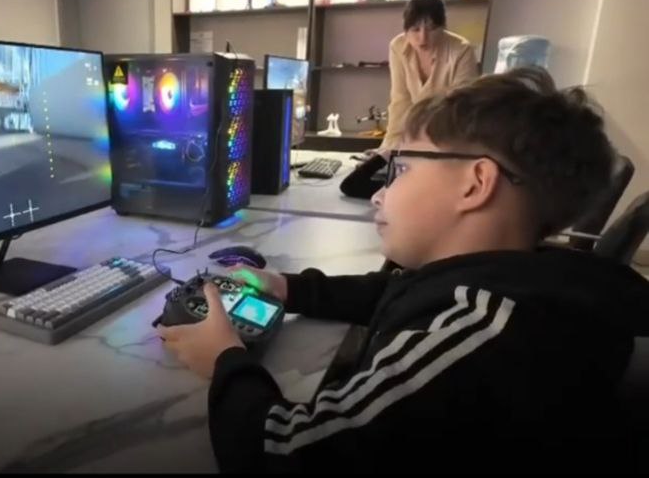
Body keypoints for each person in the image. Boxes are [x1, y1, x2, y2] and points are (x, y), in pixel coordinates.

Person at [156, 67, 649, 473]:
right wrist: (289, 287)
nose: (378, 193)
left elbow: (284, 451)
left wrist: (223, 358)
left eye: (403, 168)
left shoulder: (477, 335)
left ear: (475, 184)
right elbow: (396, 290)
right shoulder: (520, 277)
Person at [341, 0, 480, 199]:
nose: (423, 38)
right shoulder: (398, 46)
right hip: (413, 139)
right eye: (415, 29)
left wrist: (418, 145)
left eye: (431, 29)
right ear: (406, 29)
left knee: (426, 187)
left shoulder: (462, 50)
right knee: (355, 185)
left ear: (442, 27)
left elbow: (459, 111)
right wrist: (389, 148)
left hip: (447, 138)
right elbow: (400, 100)